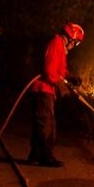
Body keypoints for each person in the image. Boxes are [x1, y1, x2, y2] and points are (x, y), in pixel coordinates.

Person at [27, 22, 83, 167]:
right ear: (71, 37)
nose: (74, 46)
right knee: (46, 125)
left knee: (44, 124)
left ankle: (35, 156)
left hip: (47, 91)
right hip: (43, 90)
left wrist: (70, 77)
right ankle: (46, 157)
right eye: (76, 43)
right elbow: (50, 72)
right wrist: (62, 87)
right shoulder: (56, 43)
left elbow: (60, 70)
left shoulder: (60, 47)